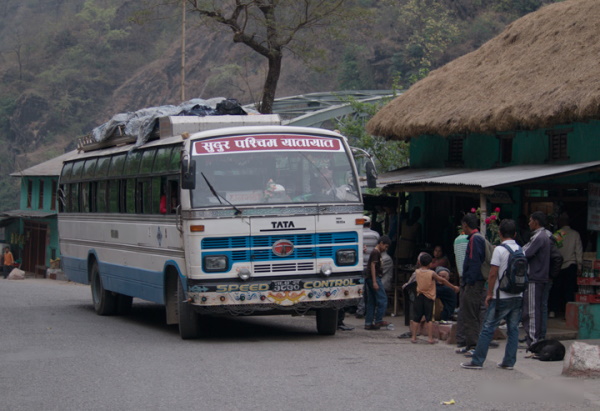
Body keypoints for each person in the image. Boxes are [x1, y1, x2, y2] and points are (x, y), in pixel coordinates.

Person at [461, 219, 524, 370]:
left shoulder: (499, 250)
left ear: (500, 233)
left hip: (500, 296)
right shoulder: (521, 250)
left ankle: (477, 361)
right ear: (515, 234)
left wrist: (489, 293)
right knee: (513, 329)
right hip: (517, 295)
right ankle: (509, 362)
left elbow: (493, 273)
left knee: (487, 328)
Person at [410, 253, 459, 343]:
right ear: (430, 264)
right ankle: (430, 338)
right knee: (429, 318)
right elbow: (442, 280)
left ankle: (413, 337)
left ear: (420, 263)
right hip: (428, 297)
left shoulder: (417, 272)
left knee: (416, 317)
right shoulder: (431, 273)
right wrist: (453, 287)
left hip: (419, 296)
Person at [455, 213, 486, 355]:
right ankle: (469, 344)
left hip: (474, 283)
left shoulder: (475, 239)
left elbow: (474, 262)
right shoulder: (477, 238)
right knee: (469, 313)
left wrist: (469, 282)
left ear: (465, 225)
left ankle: (474, 346)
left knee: (471, 314)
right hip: (474, 282)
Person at [522, 211, 551, 348]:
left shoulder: (539, 237)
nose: (529, 223)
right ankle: (535, 339)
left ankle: (533, 341)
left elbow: (525, 253)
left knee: (532, 310)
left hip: (535, 276)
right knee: (537, 308)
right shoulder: (545, 235)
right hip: (540, 276)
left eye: (530, 220)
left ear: (536, 222)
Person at [551, 212, 583, 316]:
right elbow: (578, 251)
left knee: (556, 289)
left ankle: (554, 310)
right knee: (569, 290)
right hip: (571, 265)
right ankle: (567, 313)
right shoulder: (575, 234)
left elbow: (555, 250)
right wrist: (580, 266)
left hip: (559, 266)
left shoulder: (559, 234)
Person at [364, 235, 392, 330]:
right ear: (381, 243)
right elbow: (373, 266)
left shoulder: (375, 252)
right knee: (383, 299)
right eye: (386, 246)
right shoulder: (376, 252)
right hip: (374, 278)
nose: (385, 249)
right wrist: (375, 281)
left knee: (372, 301)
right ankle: (378, 320)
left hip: (370, 278)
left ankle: (368, 322)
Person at [356, 217, 380, 318]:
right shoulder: (375, 235)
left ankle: (360, 311)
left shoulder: (358, 234)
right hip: (371, 267)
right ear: (370, 224)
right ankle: (372, 311)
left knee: (361, 289)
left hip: (360, 266)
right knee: (371, 290)